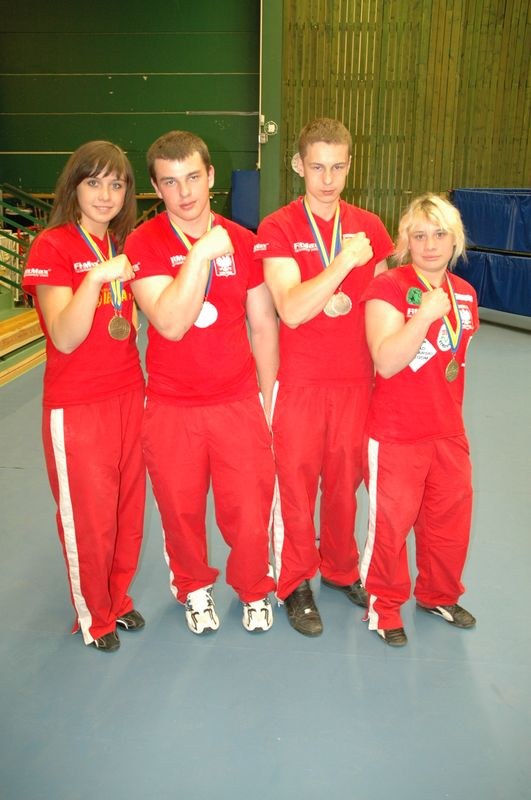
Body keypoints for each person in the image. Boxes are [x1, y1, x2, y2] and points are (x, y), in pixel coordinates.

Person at [124, 130, 277, 634]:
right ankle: (192, 587)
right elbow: (169, 322)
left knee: (249, 507)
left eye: (193, 177)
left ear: (210, 176)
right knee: (180, 510)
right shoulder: (143, 243)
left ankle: (254, 588)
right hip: (172, 405)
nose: (184, 192)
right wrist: (200, 255)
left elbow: (262, 326)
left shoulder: (245, 242)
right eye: (170, 182)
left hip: (238, 401)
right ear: (155, 187)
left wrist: (269, 399)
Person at [254, 118, 394, 636]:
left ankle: (339, 568)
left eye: (337, 167)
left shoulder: (371, 226)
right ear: (298, 165)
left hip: (356, 383)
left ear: (350, 165)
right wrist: (342, 263)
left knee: (343, 485)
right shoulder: (279, 227)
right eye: (317, 167)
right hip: (299, 384)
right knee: (293, 486)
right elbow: (291, 309)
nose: (328, 180)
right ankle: (294, 581)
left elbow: (381, 306)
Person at [22, 141, 146, 653]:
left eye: (116, 184)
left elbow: (128, 325)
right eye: (94, 182)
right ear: (73, 186)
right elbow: (65, 336)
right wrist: (95, 278)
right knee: (89, 518)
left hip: (128, 394)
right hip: (78, 405)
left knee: (126, 511)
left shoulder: (120, 245)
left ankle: (116, 597)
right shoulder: (51, 246)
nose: (105, 194)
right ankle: (94, 614)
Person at [360, 193, 478, 647]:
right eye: (420, 235)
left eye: (440, 234)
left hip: (448, 430)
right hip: (396, 432)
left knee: (449, 522)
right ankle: (385, 607)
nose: (430, 245)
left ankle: (438, 595)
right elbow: (386, 361)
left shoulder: (465, 294)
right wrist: (424, 316)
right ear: (405, 241)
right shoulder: (388, 287)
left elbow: (454, 361)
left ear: (455, 241)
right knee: (391, 527)